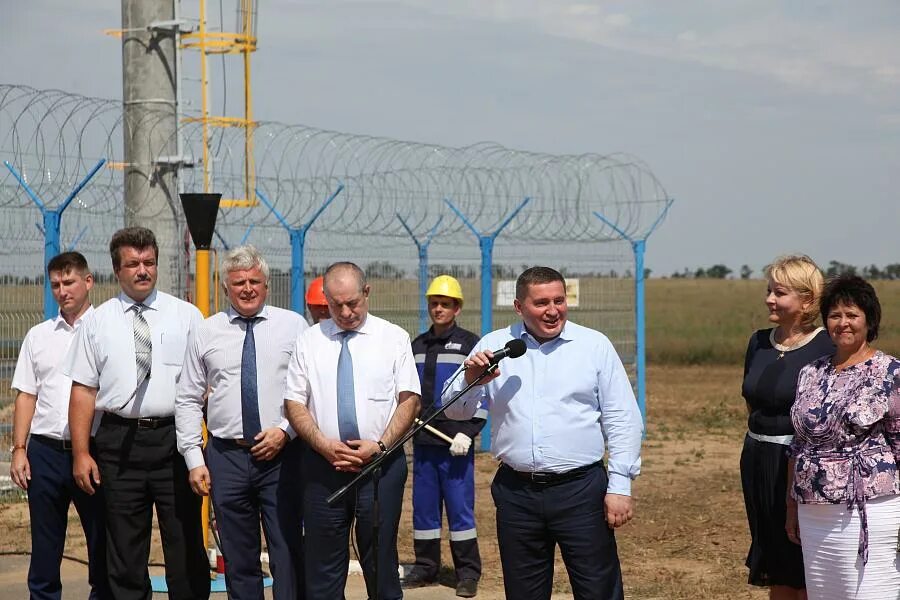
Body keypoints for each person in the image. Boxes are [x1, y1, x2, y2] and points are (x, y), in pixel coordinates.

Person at [444, 266, 643, 600]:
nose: (553, 310)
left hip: (581, 492)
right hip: (517, 493)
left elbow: (623, 418)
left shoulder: (593, 346)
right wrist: (470, 378)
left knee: (598, 589)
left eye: (559, 300)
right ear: (519, 307)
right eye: (541, 303)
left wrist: (620, 486)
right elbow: (454, 411)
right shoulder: (495, 346)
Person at [65, 226, 210, 600]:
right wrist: (81, 453)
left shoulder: (187, 316)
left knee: (184, 541)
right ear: (117, 271)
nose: (142, 270)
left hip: (174, 441)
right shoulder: (96, 324)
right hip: (119, 442)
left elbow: (207, 383)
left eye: (148, 262)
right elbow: (83, 390)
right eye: (132, 264)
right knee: (125, 548)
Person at [175, 245, 308, 600]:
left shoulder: (293, 327)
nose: (247, 289)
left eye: (254, 281)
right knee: (238, 556)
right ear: (225, 289)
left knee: (287, 550)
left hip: (282, 455)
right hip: (227, 456)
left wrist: (285, 430)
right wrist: (194, 459)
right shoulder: (206, 332)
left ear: (266, 285)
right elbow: (188, 397)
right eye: (238, 283)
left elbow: (309, 389)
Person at [283, 261, 421, 600]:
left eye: (353, 303)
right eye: (335, 304)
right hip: (322, 467)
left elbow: (409, 400)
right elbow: (294, 403)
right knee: (323, 564)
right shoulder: (309, 341)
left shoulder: (393, 338)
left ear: (367, 293)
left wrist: (380, 445)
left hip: (380, 467)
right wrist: (324, 446)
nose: (345, 312)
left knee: (380, 559)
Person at [786, 275, 900, 600]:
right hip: (813, 509)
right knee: (824, 594)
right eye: (835, 315)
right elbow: (797, 445)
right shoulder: (810, 373)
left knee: (870, 592)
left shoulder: (890, 372)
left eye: (852, 315)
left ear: (869, 320)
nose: (843, 323)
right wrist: (791, 505)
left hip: (871, 506)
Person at [9, 251, 112, 600]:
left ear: (88, 282)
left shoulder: (107, 332)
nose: (62, 290)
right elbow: (27, 395)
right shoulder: (39, 336)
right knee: (45, 548)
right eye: (55, 284)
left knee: (103, 544)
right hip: (45, 452)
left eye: (68, 282)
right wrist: (19, 449)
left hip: (94, 451)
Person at [740, 255, 832, 599]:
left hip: (799, 463)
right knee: (772, 551)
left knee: (801, 554)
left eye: (779, 293)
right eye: (768, 290)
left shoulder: (826, 346)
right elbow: (752, 399)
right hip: (756, 457)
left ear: (807, 299)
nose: (769, 299)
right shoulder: (759, 341)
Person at [404, 275, 484, 598]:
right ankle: (426, 567)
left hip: (456, 446)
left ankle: (467, 573)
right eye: (434, 303)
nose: (438, 309)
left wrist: (468, 431)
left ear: (457, 308)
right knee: (423, 510)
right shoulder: (416, 345)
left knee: (459, 510)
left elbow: (481, 392)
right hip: (423, 443)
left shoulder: (470, 344)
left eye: (445, 304)